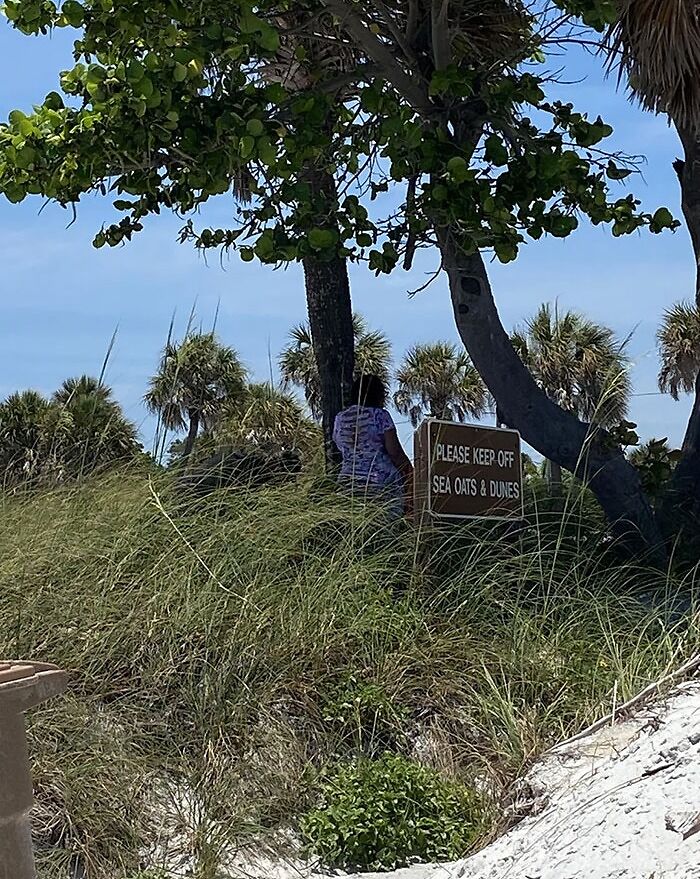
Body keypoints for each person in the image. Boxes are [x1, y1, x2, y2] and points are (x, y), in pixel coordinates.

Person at [333, 374, 414, 516]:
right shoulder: (380, 416)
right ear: (378, 395)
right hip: (379, 483)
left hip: (347, 482)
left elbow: (340, 446)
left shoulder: (340, 418)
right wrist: (412, 475)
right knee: (384, 528)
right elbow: (395, 452)